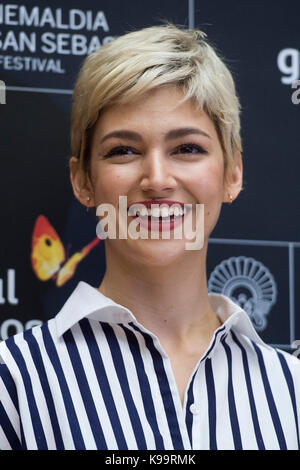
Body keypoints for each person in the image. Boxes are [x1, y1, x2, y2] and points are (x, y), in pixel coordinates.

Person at [0, 23, 299, 451]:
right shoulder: (13, 382)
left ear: (233, 173)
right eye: (123, 150)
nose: (157, 180)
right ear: (83, 180)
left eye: (187, 149)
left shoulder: (292, 392)